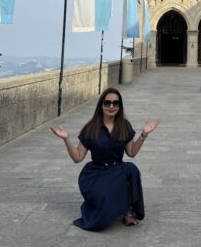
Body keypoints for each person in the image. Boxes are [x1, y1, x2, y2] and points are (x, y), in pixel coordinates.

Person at [50, 87, 161, 231]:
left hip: (117, 170)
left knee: (131, 169)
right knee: (104, 202)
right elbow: (77, 157)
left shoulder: (124, 125)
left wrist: (144, 135)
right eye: (107, 103)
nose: (111, 106)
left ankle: (128, 209)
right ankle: (104, 205)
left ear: (119, 106)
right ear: (101, 105)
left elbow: (131, 152)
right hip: (96, 174)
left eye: (115, 103)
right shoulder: (90, 128)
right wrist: (66, 139)